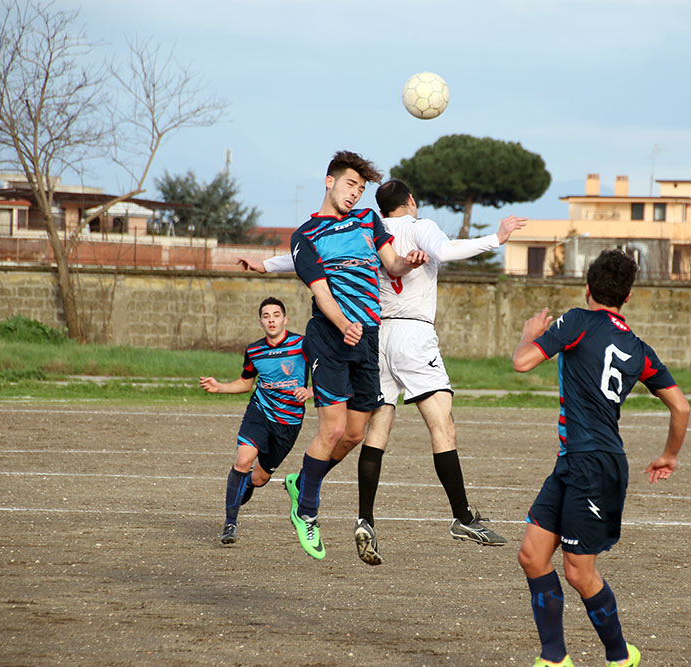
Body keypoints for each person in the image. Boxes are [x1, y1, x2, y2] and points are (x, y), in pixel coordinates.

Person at [238, 151, 426, 560]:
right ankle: (307, 511)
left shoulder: (368, 221)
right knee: (334, 430)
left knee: (356, 433)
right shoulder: (306, 236)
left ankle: (301, 481)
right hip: (329, 335)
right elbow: (321, 292)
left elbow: (392, 265)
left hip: (367, 336)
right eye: (349, 184)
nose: (355, 194)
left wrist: (409, 263)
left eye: (361, 188)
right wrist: (344, 325)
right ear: (329, 181)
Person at [511, 249, 690, 667]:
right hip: (576, 461)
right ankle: (554, 659)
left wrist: (528, 333)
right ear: (627, 297)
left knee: (578, 571)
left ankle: (620, 656)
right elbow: (681, 407)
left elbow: (522, 362)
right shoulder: (638, 349)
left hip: (593, 464)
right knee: (532, 556)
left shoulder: (577, 321)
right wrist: (669, 455)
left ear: (587, 288)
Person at [334, 179, 526, 565]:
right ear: (410, 200)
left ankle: (365, 518)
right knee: (442, 426)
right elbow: (445, 250)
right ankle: (462, 517)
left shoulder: (367, 229)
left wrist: (265, 265)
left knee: (378, 428)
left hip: (376, 335)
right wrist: (496, 238)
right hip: (413, 335)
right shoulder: (419, 225)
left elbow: (315, 259)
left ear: (380, 207)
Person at [198, 297, 311, 545]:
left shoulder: (303, 344)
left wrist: (311, 391)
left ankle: (242, 486)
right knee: (243, 460)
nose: (271, 320)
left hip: (289, 422)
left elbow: (326, 372)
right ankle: (230, 524)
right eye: (266, 316)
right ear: (260, 322)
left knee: (259, 479)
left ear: (285, 319)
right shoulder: (254, 350)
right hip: (259, 413)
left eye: (276, 315)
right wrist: (220, 387)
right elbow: (245, 383)